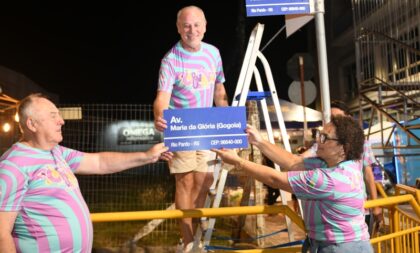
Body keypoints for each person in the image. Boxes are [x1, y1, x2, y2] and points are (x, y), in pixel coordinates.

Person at [0, 93, 171, 253]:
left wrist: (147, 156)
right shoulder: (13, 165)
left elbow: (99, 163)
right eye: (53, 116)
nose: (61, 121)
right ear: (32, 124)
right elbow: (2, 234)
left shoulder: (56, 152)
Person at [213, 115, 373, 253]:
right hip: (345, 244)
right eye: (318, 134)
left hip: (341, 248)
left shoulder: (330, 179)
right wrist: (259, 141)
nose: (317, 140)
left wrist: (238, 162)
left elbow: (276, 180)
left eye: (325, 137)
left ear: (343, 148)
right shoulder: (340, 164)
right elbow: (293, 162)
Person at [153, 5, 229, 252]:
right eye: (186, 25)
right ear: (178, 28)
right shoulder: (170, 60)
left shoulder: (214, 54)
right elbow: (162, 97)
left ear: (205, 27)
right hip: (181, 127)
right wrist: (158, 116)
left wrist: (226, 124)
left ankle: (195, 233)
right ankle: (187, 243)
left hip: (206, 125)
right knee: (185, 183)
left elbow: (219, 91)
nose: (192, 30)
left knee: (205, 180)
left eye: (197, 25)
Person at [301, 100, 383, 231]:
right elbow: (299, 159)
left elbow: (368, 174)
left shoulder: (361, 142)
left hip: (359, 208)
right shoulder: (325, 142)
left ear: (349, 119)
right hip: (332, 209)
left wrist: (376, 206)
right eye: (332, 119)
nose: (335, 122)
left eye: (338, 118)